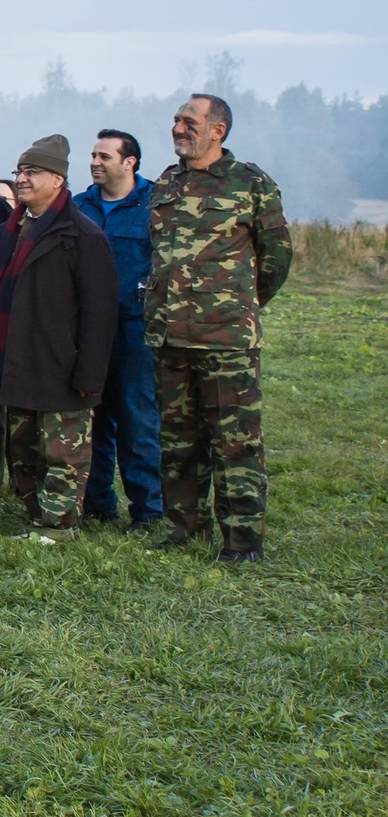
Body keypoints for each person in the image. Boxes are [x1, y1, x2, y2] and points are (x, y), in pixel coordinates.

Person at [146, 93, 291, 560]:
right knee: (177, 441)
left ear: (217, 130)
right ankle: (185, 529)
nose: (178, 128)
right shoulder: (167, 182)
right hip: (169, 335)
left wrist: (238, 306)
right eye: (175, 120)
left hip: (226, 338)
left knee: (235, 444)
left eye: (188, 121)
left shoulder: (250, 183)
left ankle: (242, 542)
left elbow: (276, 258)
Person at [0, 136, 120, 533]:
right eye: (19, 172)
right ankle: (35, 515)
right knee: (23, 452)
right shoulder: (12, 230)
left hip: (62, 365)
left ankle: (59, 527)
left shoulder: (82, 235)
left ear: (58, 180)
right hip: (17, 359)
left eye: (32, 173)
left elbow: (100, 313)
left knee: (63, 454)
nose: (22, 180)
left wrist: (89, 375)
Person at [74, 129, 163, 531]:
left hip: (134, 332)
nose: (95, 162)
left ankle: (147, 511)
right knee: (91, 419)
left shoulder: (156, 205)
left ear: (130, 162)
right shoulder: (79, 207)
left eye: (104, 156)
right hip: (87, 331)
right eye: (93, 155)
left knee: (137, 422)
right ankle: (97, 504)